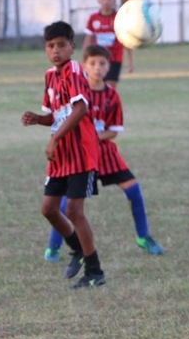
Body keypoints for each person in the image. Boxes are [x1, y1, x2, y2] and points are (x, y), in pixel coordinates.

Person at [44, 45, 163, 262]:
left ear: (109, 67)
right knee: (63, 205)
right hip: (80, 155)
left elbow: (113, 131)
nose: (97, 68)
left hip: (106, 156)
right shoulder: (76, 94)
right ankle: (54, 247)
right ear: (84, 66)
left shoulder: (111, 96)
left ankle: (144, 237)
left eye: (102, 63)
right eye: (93, 63)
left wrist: (94, 136)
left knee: (134, 190)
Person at [21, 21, 106, 288]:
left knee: (74, 210)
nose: (55, 50)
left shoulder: (74, 71)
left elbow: (80, 109)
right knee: (49, 209)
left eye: (61, 45)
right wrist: (39, 119)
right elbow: (59, 114)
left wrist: (55, 138)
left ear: (72, 46)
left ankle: (95, 271)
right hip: (61, 154)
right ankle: (78, 249)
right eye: (50, 46)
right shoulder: (50, 76)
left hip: (80, 151)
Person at [83, 0, 133, 88]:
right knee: (95, 85)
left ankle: (110, 104)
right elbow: (88, 40)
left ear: (114, 0)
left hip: (114, 58)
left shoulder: (119, 17)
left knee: (110, 86)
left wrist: (130, 61)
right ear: (99, 0)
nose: (106, 1)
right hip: (97, 58)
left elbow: (126, 39)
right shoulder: (93, 18)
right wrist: (84, 59)